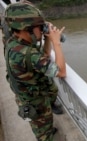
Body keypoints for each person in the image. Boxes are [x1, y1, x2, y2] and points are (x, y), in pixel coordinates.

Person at [4, 2, 66, 141]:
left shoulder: (13, 42)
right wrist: (57, 43)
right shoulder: (29, 54)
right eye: (39, 27)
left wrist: (47, 39)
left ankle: (47, 130)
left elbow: (42, 56)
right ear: (27, 29)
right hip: (35, 102)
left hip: (25, 95)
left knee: (43, 125)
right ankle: (46, 135)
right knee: (42, 132)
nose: (42, 29)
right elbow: (61, 72)